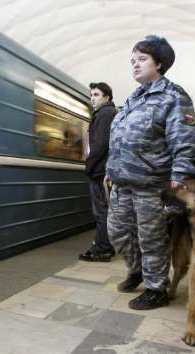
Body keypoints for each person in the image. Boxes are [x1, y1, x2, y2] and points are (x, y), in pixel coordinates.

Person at [105, 35, 195, 310]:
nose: (134, 65)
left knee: (151, 238)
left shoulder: (174, 96)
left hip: (153, 184)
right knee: (118, 232)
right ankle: (138, 270)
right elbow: (121, 138)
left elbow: (185, 141)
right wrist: (111, 169)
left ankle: (156, 288)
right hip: (123, 182)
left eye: (142, 59)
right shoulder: (134, 98)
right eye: (132, 60)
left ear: (159, 63)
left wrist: (180, 178)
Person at [79, 82, 117, 262]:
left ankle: (102, 250)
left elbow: (100, 144)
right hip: (103, 168)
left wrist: (89, 166)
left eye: (96, 94)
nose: (92, 98)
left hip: (100, 170)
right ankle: (105, 246)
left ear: (106, 97)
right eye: (91, 95)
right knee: (104, 210)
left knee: (101, 211)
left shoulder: (105, 114)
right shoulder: (108, 113)